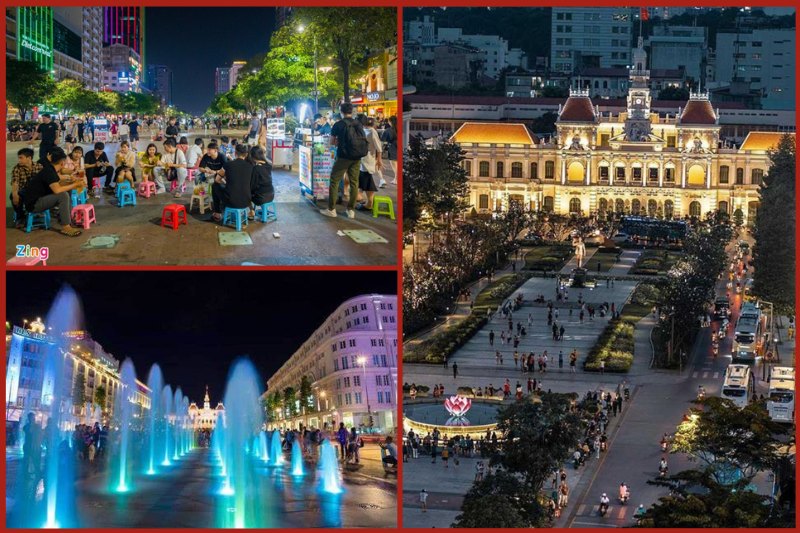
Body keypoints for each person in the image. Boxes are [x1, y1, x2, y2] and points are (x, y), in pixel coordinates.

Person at [21, 147, 85, 236]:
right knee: (62, 195)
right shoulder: (49, 171)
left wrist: (71, 182)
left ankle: (67, 219)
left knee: (67, 190)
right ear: (62, 162)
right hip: (34, 204)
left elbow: (57, 183)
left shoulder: (51, 169)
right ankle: (66, 227)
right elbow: (57, 189)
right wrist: (74, 185)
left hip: (40, 198)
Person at [320, 102, 367, 219]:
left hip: (343, 156)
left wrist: (338, 142)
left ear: (341, 112)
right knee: (354, 182)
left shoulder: (338, 125)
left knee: (334, 180)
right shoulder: (358, 123)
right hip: (357, 156)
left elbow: (331, 142)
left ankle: (331, 209)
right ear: (352, 111)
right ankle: (351, 210)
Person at [212, 143, 254, 222]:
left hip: (231, 201)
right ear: (246, 154)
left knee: (215, 186)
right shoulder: (251, 166)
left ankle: (217, 212)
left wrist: (225, 183)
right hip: (246, 201)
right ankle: (251, 210)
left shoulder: (228, 165)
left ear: (235, 153)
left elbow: (217, 180)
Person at [355, 115, 383, 210]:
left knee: (367, 180)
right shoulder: (363, 131)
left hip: (367, 160)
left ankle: (369, 203)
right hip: (362, 159)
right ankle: (362, 198)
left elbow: (378, 147)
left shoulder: (372, 131)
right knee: (363, 179)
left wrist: (379, 160)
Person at [10, 147, 43, 225]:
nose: (19, 160)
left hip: (37, 190)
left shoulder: (39, 166)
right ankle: (20, 216)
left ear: (29, 158)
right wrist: (15, 194)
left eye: (21, 158)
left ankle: (35, 210)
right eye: (18, 158)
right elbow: (15, 182)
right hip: (24, 190)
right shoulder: (17, 168)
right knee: (13, 196)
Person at [381, 116, 398, 185]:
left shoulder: (388, 130)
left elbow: (383, 140)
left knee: (394, 166)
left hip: (393, 149)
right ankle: (396, 179)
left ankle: (396, 179)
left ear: (390, 122)